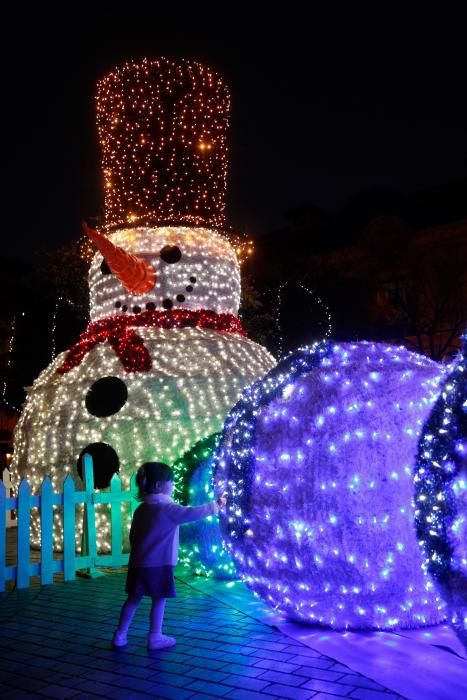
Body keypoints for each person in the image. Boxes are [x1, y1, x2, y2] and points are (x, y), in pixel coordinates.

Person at [112, 461, 226, 650]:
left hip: (138, 563)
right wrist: (217, 505)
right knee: (159, 599)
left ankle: (120, 635)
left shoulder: (141, 509)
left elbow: (133, 536)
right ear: (159, 485)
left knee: (133, 598)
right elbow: (193, 513)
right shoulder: (168, 508)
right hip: (159, 564)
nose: (173, 485)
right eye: (171, 482)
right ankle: (155, 637)